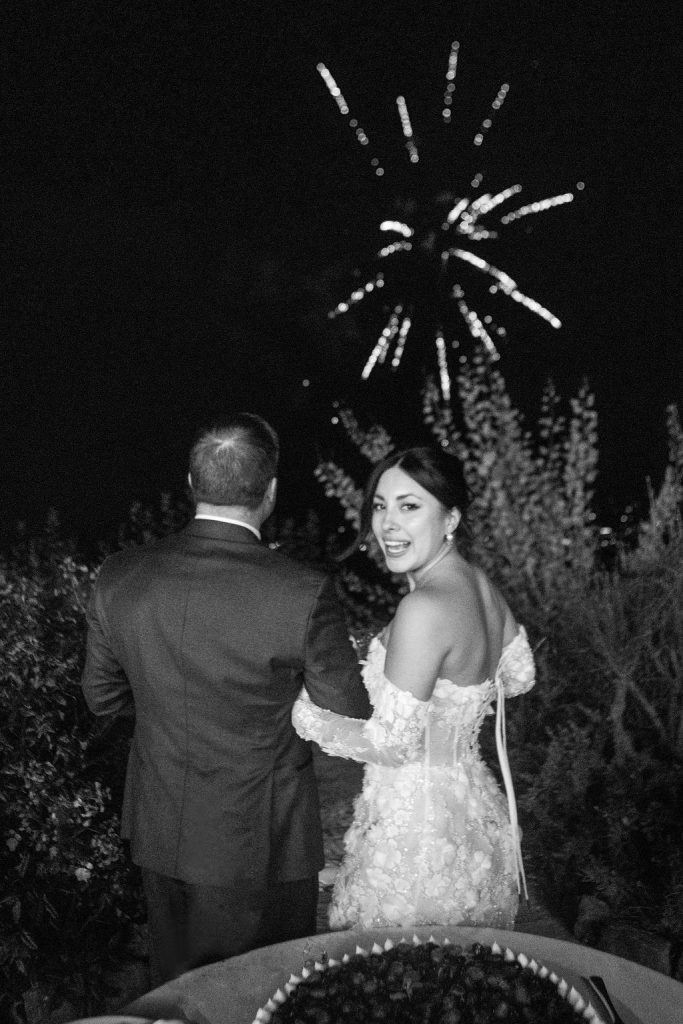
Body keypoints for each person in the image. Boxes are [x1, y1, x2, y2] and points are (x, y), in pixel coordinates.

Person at [81, 414, 371, 984]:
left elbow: (101, 696)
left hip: (163, 827)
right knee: (268, 991)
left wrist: (169, 713)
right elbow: (347, 711)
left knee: (178, 990)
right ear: (270, 492)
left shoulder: (119, 576)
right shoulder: (301, 591)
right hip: (264, 837)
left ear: (191, 485)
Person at [292, 445, 536, 930]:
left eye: (409, 506)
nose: (387, 524)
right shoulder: (480, 587)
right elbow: (520, 676)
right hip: (471, 811)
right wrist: (458, 704)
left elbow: (391, 743)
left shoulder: (424, 608)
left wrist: (303, 711)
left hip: (417, 829)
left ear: (451, 518)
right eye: (380, 506)